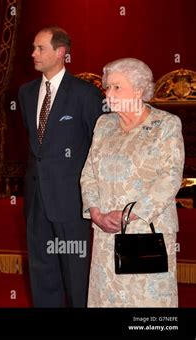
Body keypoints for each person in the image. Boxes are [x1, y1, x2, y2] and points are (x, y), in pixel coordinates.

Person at [80, 57, 184, 307]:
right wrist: (96, 213)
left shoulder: (165, 124)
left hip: (147, 230)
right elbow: (89, 173)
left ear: (138, 90)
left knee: (145, 303)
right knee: (108, 299)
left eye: (117, 87)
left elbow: (170, 178)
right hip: (107, 231)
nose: (109, 93)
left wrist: (129, 215)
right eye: (107, 87)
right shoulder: (104, 124)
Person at [18, 26, 102, 307]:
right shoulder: (26, 92)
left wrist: (97, 197)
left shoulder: (85, 94)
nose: (33, 54)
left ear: (61, 52)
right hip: (36, 197)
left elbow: (97, 147)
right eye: (33, 47)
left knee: (76, 271)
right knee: (41, 269)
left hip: (71, 198)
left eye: (40, 48)